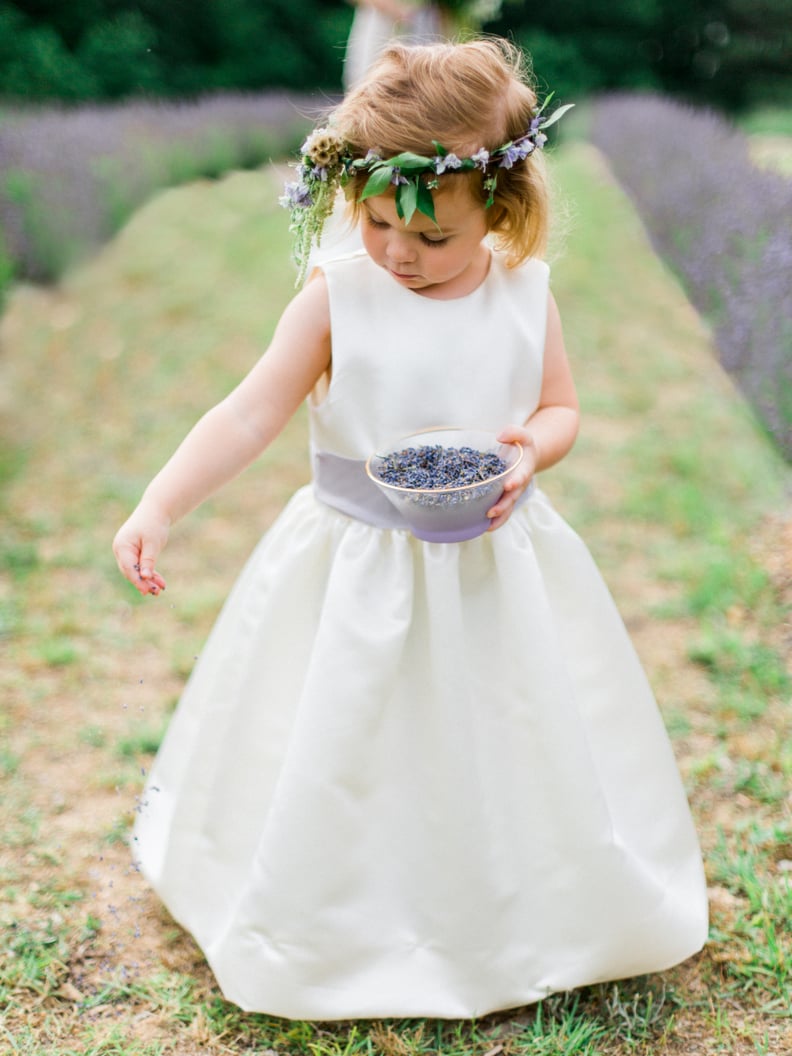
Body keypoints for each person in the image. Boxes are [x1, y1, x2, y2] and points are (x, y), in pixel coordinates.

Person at [112, 38, 708, 1020]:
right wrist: (161, 504)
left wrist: (531, 451)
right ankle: (340, 916)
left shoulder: (526, 294)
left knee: (501, 734)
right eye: (380, 222)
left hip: (493, 573)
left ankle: (512, 912)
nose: (399, 252)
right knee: (344, 742)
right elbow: (249, 414)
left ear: (501, 207)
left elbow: (560, 408)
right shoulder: (336, 300)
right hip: (355, 572)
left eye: (433, 239)